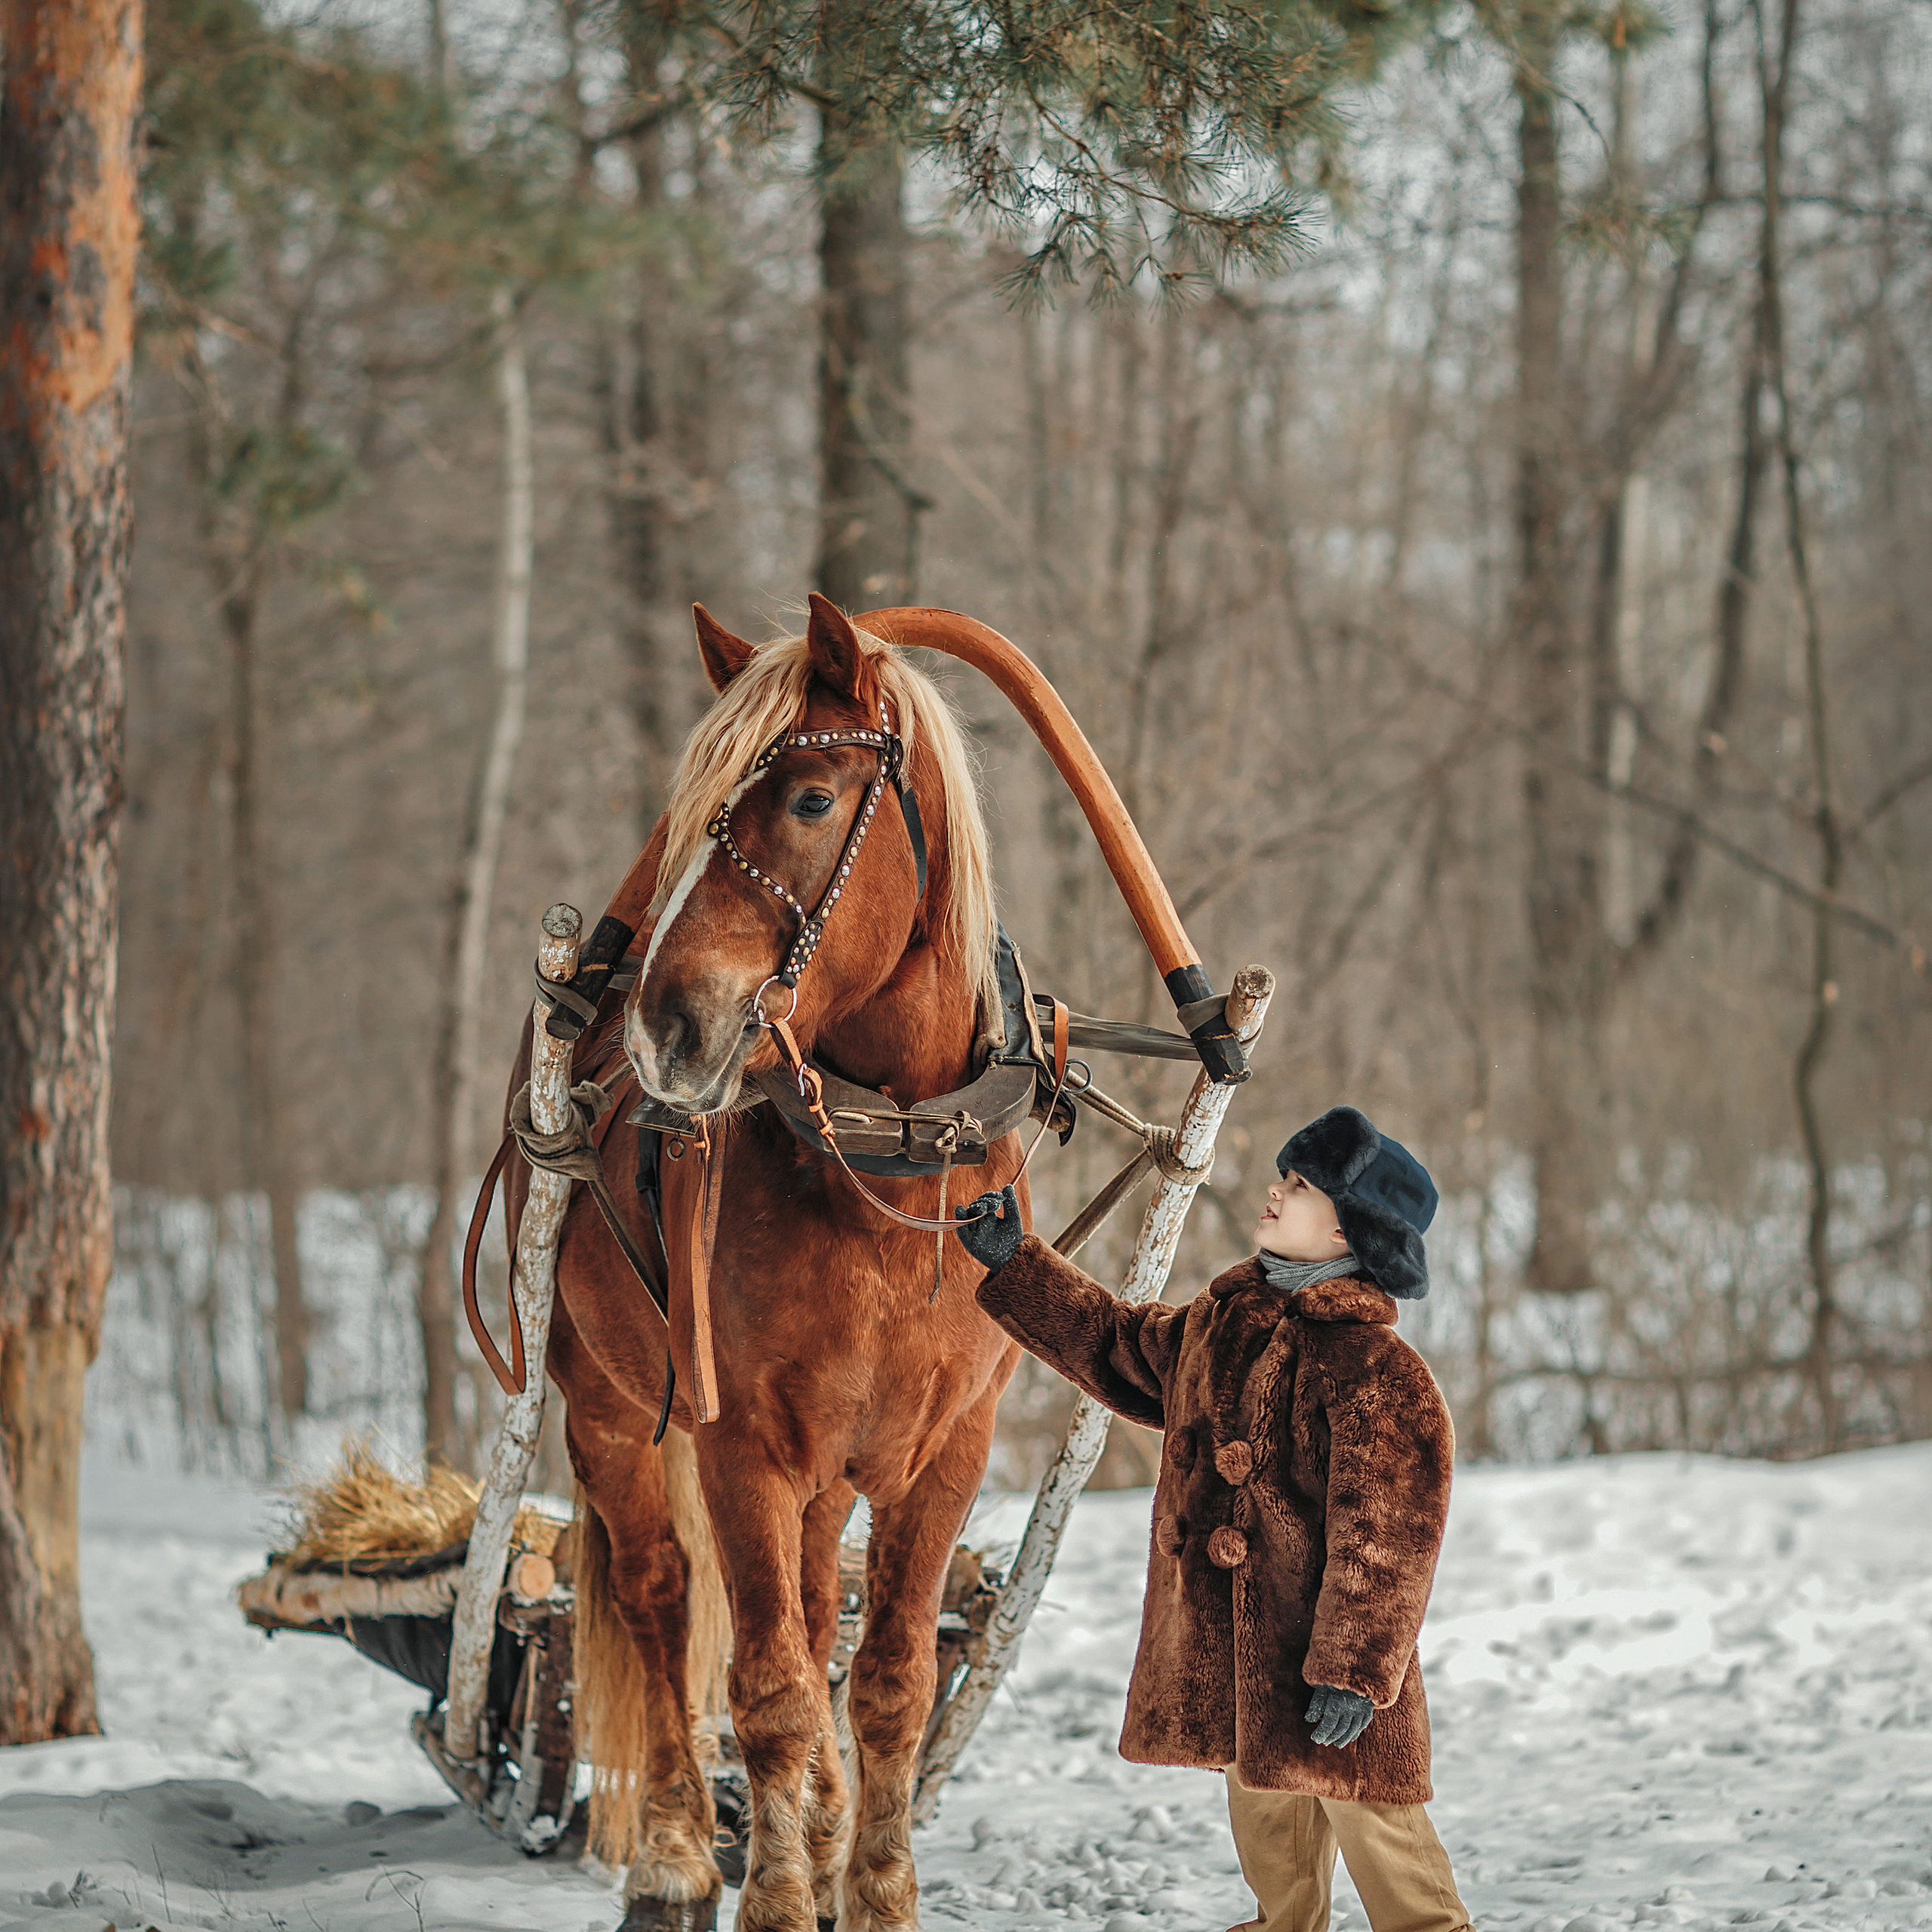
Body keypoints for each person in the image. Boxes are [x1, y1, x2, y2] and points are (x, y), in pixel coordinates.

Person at [955, 1105, 1472, 1932]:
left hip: (1330, 1674)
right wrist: (1016, 1263)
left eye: (1300, 1186)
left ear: (1349, 1234)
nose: (1274, 1189)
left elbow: (1388, 1539)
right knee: (1272, 1844)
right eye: (1284, 1175)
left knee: (1386, 1847)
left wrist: (1353, 1668)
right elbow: (1117, 1347)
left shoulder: (1376, 1369)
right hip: (1244, 1664)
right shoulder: (1222, 1325)